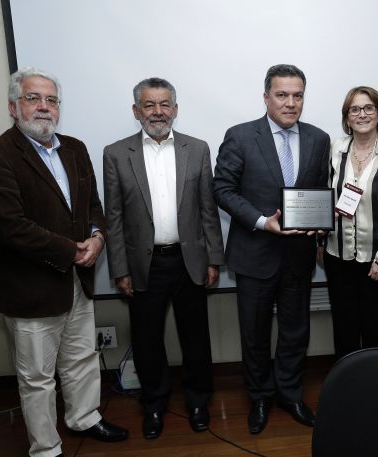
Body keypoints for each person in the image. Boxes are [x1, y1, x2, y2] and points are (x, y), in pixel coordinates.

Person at [0, 67, 128, 457]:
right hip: (30, 286)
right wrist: (72, 250)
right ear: (13, 106)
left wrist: (97, 236)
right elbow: (11, 226)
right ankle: (46, 448)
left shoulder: (74, 147)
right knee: (37, 377)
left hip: (78, 280)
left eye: (51, 100)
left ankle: (84, 417)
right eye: (33, 98)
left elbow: (93, 204)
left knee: (81, 358)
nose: (43, 107)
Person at [103, 77, 224, 439]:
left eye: (164, 104)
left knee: (196, 338)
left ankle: (199, 401)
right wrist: (120, 268)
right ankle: (154, 405)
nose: (158, 112)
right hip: (145, 265)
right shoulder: (115, 153)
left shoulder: (198, 148)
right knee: (147, 340)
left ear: (175, 108)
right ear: (137, 110)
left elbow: (208, 210)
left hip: (189, 261)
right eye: (150, 105)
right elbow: (114, 218)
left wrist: (213, 259)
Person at [213, 64, 330, 434]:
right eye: (282, 94)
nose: (290, 103)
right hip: (254, 253)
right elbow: (222, 189)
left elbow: (320, 192)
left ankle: (290, 394)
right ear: (266, 97)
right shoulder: (241, 136)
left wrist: (319, 226)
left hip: (298, 255)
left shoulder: (319, 138)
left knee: (296, 332)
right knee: (255, 333)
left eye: (297, 95)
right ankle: (260, 397)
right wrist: (263, 221)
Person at [322, 86, 378, 359]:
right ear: (347, 118)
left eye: (369, 108)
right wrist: (323, 224)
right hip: (338, 257)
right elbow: (323, 193)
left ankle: (373, 387)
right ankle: (346, 386)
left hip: (377, 263)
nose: (362, 114)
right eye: (355, 109)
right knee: (344, 330)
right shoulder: (335, 149)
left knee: (375, 330)